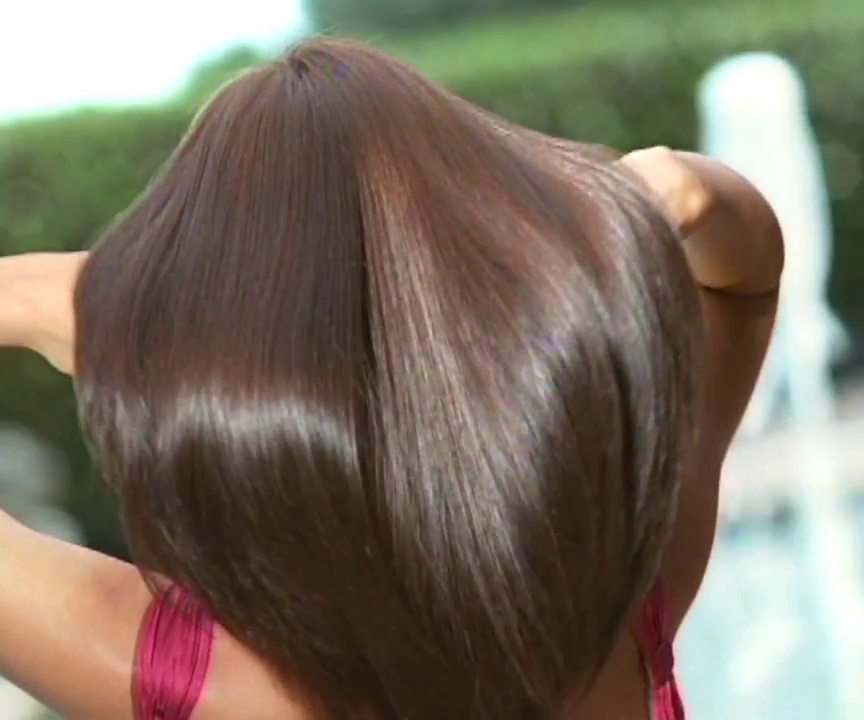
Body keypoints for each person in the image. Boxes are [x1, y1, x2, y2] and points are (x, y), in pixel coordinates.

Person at [0, 37, 782, 720]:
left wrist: (105, 308)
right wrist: (633, 203)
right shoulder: (617, 614)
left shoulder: (200, 685)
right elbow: (745, 275)